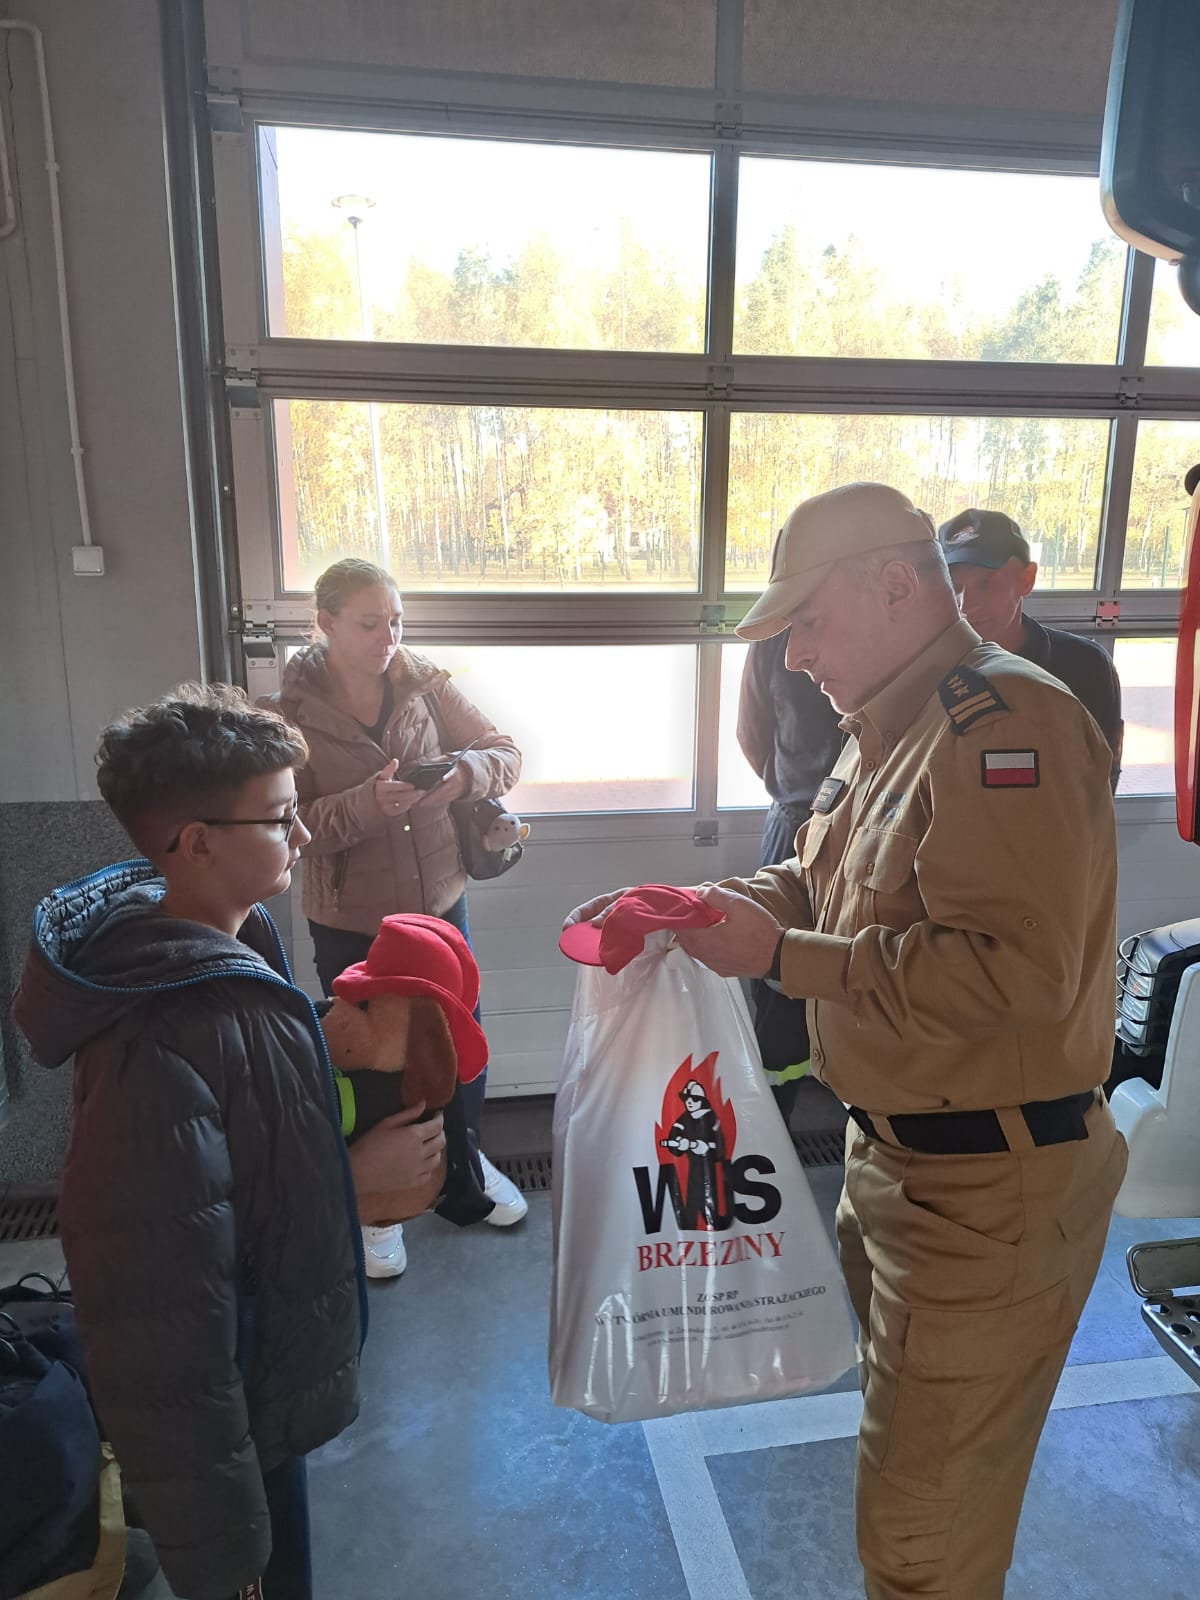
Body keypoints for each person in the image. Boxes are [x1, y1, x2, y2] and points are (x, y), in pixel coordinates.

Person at [565, 482, 1128, 1600]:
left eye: (808, 622)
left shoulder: (1002, 723)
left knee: (921, 1546)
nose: (796, 656)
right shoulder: (887, 725)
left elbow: (1016, 974)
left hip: (989, 1192)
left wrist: (783, 956)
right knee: (917, 1488)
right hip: (898, 1168)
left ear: (895, 585)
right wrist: (699, 906)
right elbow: (821, 878)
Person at [11, 684, 442, 1600]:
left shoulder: (232, 944)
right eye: (281, 818)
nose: (303, 833)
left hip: (266, 1385)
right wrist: (221, 1552)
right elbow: (161, 1324)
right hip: (229, 1415)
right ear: (197, 842)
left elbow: (246, 1148)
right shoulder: (152, 1044)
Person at [273, 557, 527, 1278]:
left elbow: (505, 752)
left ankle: (463, 1167)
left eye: (396, 620)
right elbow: (289, 823)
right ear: (324, 625)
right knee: (374, 1061)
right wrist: (366, 805)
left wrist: (462, 776)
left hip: (440, 907)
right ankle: (381, 1207)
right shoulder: (288, 715)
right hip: (350, 917)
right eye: (369, 623)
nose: (388, 637)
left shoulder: (425, 683)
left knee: (457, 1040)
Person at [938, 507, 1124, 791]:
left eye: (985, 583)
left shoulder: (1085, 667)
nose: (966, 604)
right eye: (954, 586)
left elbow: (1101, 776)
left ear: (1027, 579)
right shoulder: (926, 670)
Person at [737, 630, 844, 1119]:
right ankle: (769, 1128)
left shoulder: (893, 623)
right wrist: (795, 792)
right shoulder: (773, 634)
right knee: (777, 982)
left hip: (877, 825)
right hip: (796, 818)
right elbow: (752, 733)